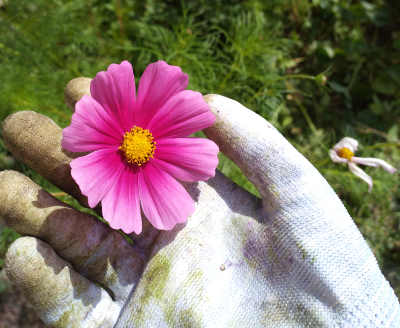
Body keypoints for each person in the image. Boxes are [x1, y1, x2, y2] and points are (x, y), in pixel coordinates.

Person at [0, 77, 399, 327]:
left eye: (143, 143)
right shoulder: (120, 148)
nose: (138, 146)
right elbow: (86, 168)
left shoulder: (163, 154)